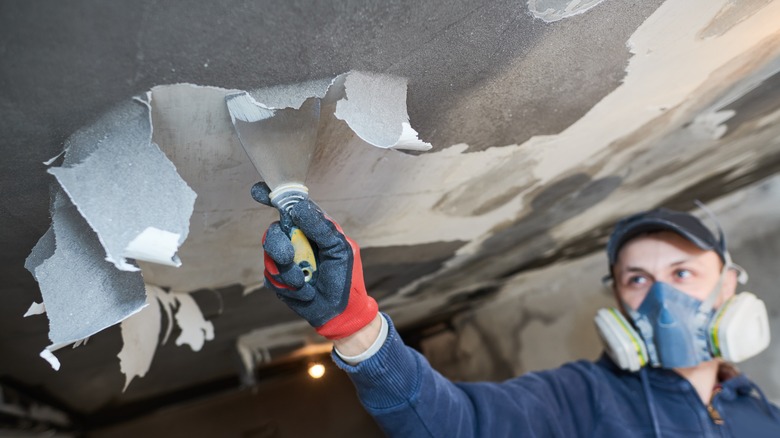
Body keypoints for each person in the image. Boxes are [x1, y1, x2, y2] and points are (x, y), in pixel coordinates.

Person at [252, 182, 780, 437]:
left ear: (728, 286)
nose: (662, 298)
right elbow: (461, 426)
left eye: (683, 274)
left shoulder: (764, 413)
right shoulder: (580, 399)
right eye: (637, 279)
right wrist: (359, 330)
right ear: (618, 299)